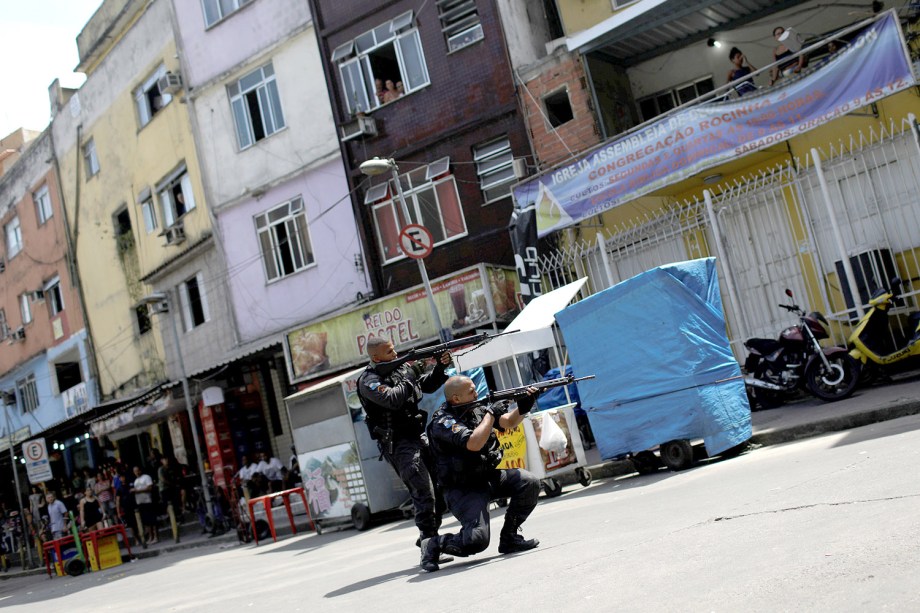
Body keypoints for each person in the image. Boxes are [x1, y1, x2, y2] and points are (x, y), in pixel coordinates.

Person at [422, 375, 542, 572]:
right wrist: (490, 414)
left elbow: (508, 422)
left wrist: (524, 406)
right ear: (456, 399)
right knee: (476, 541)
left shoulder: (476, 409)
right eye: (471, 391)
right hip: (463, 488)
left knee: (529, 482)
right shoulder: (443, 421)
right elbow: (474, 443)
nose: (476, 392)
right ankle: (433, 543)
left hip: (486, 476)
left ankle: (510, 538)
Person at [357, 336, 451, 553]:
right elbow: (392, 399)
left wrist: (440, 367)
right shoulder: (368, 380)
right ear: (376, 357)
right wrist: (412, 374)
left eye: (394, 350)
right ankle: (430, 549)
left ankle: (427, 538)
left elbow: (425, 386)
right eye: (389, 352)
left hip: (417, 435)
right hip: (399, 443)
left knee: (440, 490)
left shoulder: (401, 369)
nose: (396, 355)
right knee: (423, 492)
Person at [131, 466, 158, 544]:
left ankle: (155, 536)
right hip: (140, 502)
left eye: (137, 471)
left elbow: (149, 488)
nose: (136, 473)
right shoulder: (136, 481)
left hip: (148, 500)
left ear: (140, 470)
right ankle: (151, 536)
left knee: (152, 519)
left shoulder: (146, 477)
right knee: (146, 521)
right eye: (135, 471)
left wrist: (137, 491)